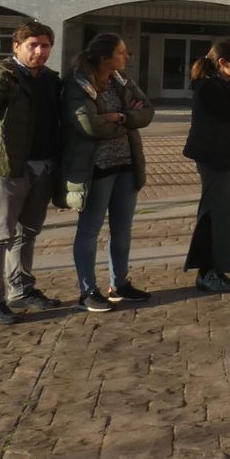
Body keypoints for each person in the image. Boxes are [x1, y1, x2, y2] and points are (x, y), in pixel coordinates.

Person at [0, 21, 66, 323]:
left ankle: (22, 290)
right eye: (33, 45)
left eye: (45, 45)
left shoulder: (50, 81)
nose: (40, 51)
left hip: (42, 167)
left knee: (27, 233)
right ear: (16, 46)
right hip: (6, 170)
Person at [60, 33, 155, 310]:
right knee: (90, 229)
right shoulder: (79, 83)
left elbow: (147, 111)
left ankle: (120, 283)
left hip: (127, 164)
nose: (127, 57)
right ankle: (88, 291)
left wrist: (121, 116)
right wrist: (126, 120)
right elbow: (89, 126)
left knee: (122, 228)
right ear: (104, 57)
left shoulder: (120, 80)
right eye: (121, 52)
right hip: (95, 168)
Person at [183, 41, 230, 293]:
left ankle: (219, 267)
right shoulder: (207, 86)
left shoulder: (225, 85)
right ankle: (206, 271)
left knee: (225, 215)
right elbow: (224, 111)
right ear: (221, 63)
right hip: (214, 156)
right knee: (212, 213)